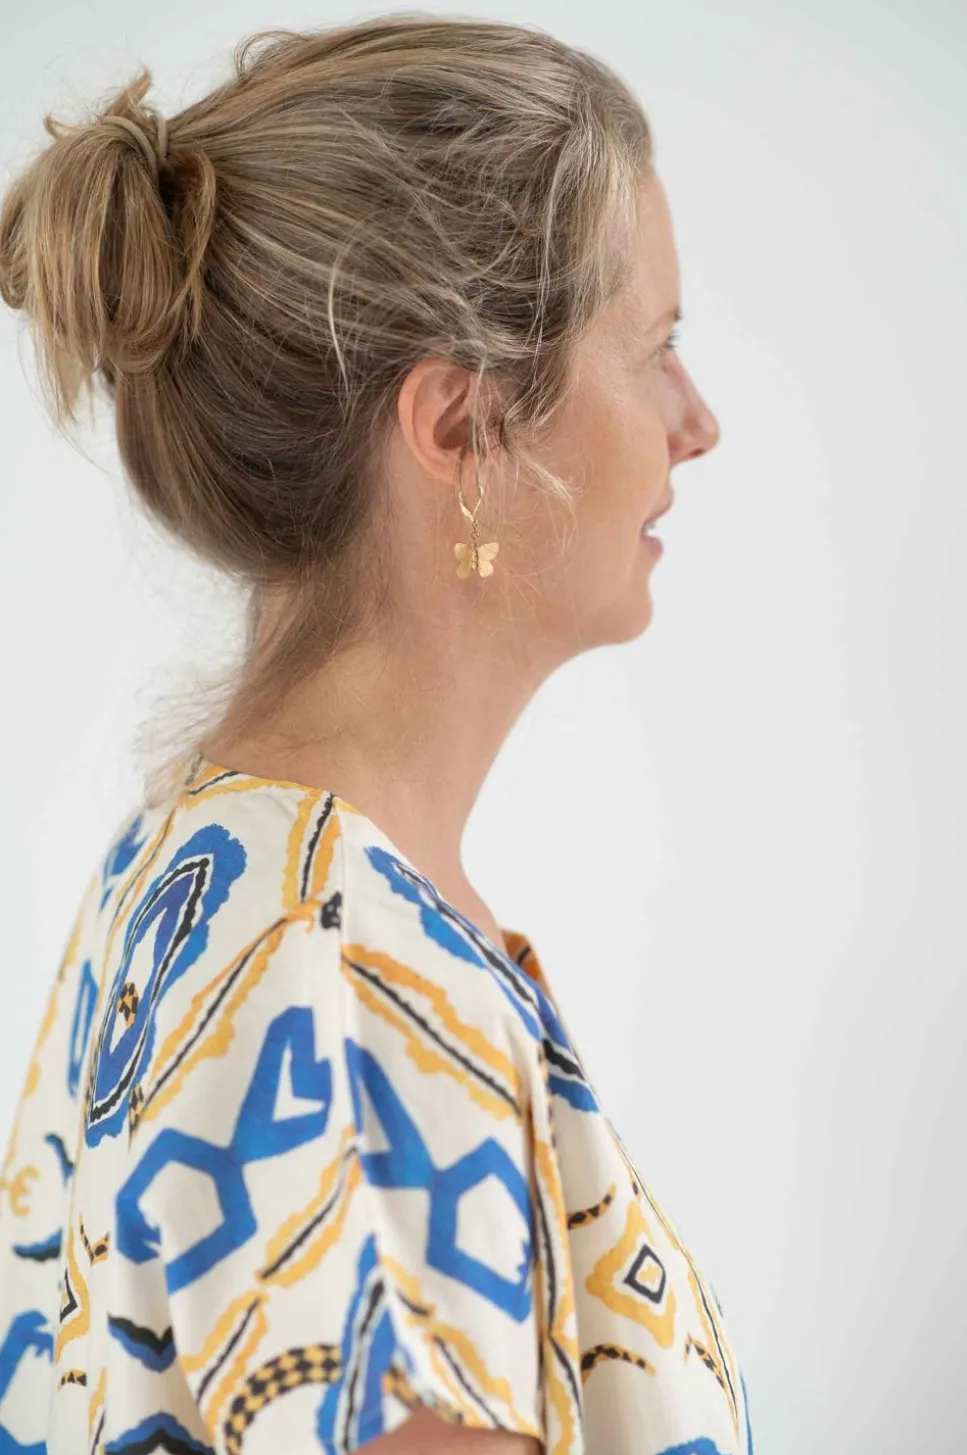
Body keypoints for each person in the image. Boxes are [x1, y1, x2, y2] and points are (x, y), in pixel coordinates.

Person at [0, 17, 752, 1454]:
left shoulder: (187, 879)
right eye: (654, 346)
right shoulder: (348, 986)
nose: (696, 420)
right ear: (461, 428)